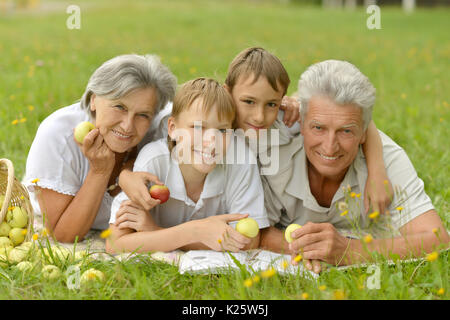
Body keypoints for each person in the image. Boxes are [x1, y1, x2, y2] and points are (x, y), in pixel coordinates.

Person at [260, 60, 450, 273]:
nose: (330, 147)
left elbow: (437, 239)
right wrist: (307, 249)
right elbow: (248, 227)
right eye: (318, 128)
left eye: (346, 131)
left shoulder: (387, 159)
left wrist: (349, 251)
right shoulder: (272, 145)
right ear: (301, 124)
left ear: (364, 133)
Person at [23, 54, 177, 243]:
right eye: (119, 107)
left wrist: (125, 171)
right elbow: (64, 235)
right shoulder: (57, 135)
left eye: (143, 115)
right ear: (94, 100)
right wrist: (100, 171)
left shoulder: (164, 127)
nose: (127, 126)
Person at [106, 78, 270, 254]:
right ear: (173, 128)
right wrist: (194, 232)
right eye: (199, 127)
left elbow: (250, 242)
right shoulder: (154, 160)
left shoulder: (240, 161)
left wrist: (157, 232)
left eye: (222, 130)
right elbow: (115, 244)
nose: (211, 141)